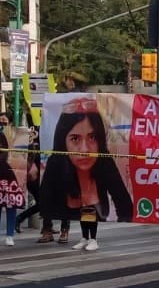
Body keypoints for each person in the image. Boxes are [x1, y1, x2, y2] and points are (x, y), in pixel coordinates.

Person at [42, 97, 132, 251]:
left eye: (92, 137)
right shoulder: (56, 163)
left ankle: (93, 239)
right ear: (63, 142)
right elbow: (45, 203)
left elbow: (125, 206)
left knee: (88, 209)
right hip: (74, 211)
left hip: (93, 211)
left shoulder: (104, 161)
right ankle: (84, 238)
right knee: (85, 211)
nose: (84, 149)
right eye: (75, 139)